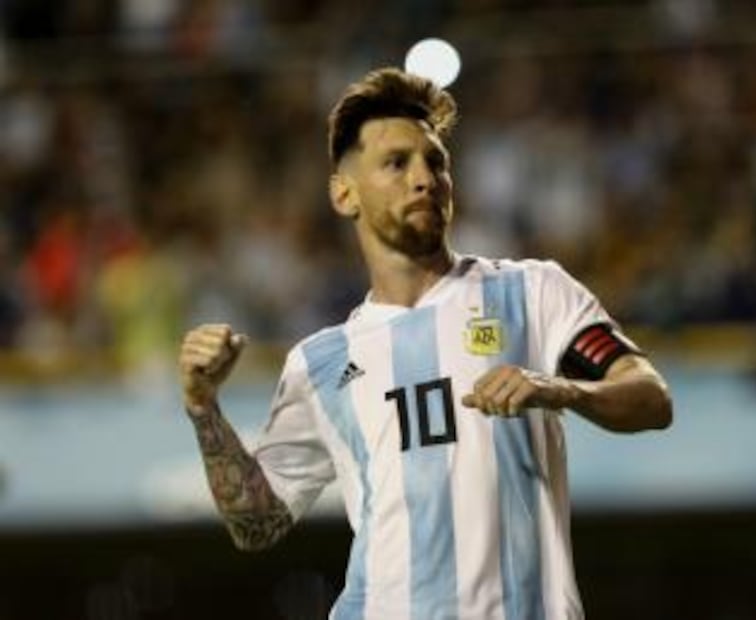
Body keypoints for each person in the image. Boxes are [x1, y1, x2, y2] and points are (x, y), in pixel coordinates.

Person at [178, 67, 672, 620]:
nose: (425, 179)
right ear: (344, 193)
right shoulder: (319, 364)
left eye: (436, 162)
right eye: (397, 163)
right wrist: (203, 407)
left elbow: (650, 397)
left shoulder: (532, 293)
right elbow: (256, 523)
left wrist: (561, 390)